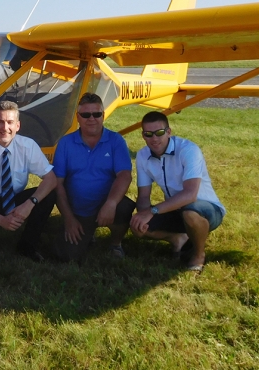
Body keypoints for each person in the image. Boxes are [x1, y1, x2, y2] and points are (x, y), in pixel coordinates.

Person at [130, 111, 225, 272]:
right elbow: (144, 196)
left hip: (206, 209)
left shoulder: (189, 150)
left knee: (190, 212)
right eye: (148, 134)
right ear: (143, 136)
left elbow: (190, 194)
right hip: (175, 209)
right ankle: (177, 238)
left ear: (169, 132)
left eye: (159, 133)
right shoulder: (142, 155)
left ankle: (198, 254)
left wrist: (152, 211)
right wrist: (142, 217)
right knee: (136, 227)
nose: (154, 138)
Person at [0, 100, 57, 261]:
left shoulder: (28, 146)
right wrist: (1, 220)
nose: (5, 128)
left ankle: (27, 246)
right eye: (0, 122)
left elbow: (51, 179)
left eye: (10, 122)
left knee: (49, 195)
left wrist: (29, 204)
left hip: (15, 198)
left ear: (18, 126)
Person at [53, 92, 135, 262]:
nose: (92, 118)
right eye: (85, 114)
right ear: (78, 117)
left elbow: (125, 175)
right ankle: (86, 232)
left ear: (103, 115)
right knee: (66, 256)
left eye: (97, 114)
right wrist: (69, 219)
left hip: (106, 204)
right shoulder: (65, 143)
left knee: (124, 207)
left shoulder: (116, 140)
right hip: (77, 210)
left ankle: (115, 244)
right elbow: (57, 183)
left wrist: (111, 203)